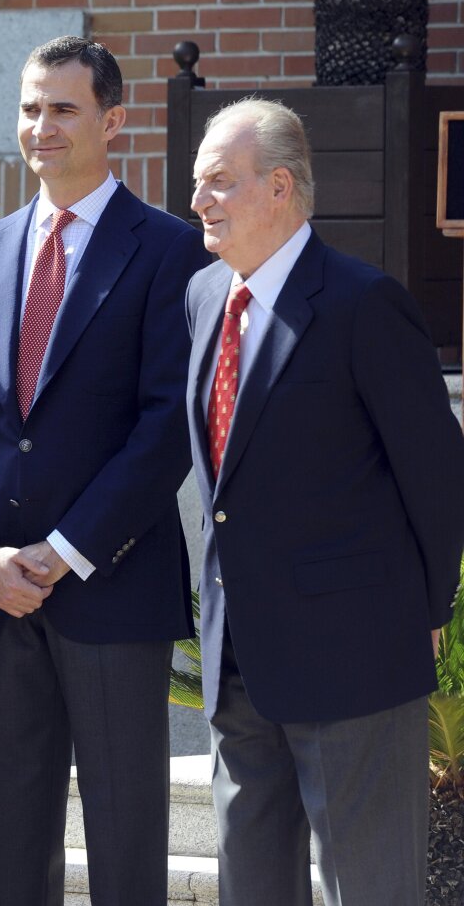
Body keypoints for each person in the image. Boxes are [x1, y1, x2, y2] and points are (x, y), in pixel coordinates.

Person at [0, 36, 211, 904]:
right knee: (12, 841)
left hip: (112, 586)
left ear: (113, 121)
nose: (40, 126)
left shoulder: (168, 250)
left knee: (126, 844)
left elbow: (168, 425)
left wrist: (66, 547)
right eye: (29, 108)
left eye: (63, 108)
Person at [186, 96, 464, 906]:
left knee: (369, 888)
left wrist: (427, 603)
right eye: (198, 182)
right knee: (253, 886)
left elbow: (437, 472)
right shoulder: (205, 299)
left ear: (280, 188)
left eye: (219, 183)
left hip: (354, 661)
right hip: (237, 660)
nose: (198, 199)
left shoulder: (361, 304)